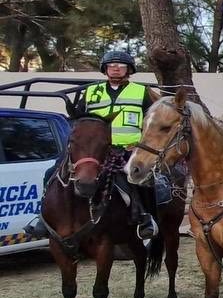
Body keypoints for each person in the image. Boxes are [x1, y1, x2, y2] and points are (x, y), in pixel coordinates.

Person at [25, 50, 157, 240]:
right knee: (51, 172)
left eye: (121, 65)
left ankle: (146, 218)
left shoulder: (142, 91)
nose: (116, 69)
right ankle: (42, 218)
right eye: (112, 65)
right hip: (92, 150)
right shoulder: (90, 91)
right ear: (105, 69)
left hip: (127, 148)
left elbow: (152, 122)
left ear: (129, 69)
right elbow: (77, 119)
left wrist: (142, 146)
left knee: (138, 178)